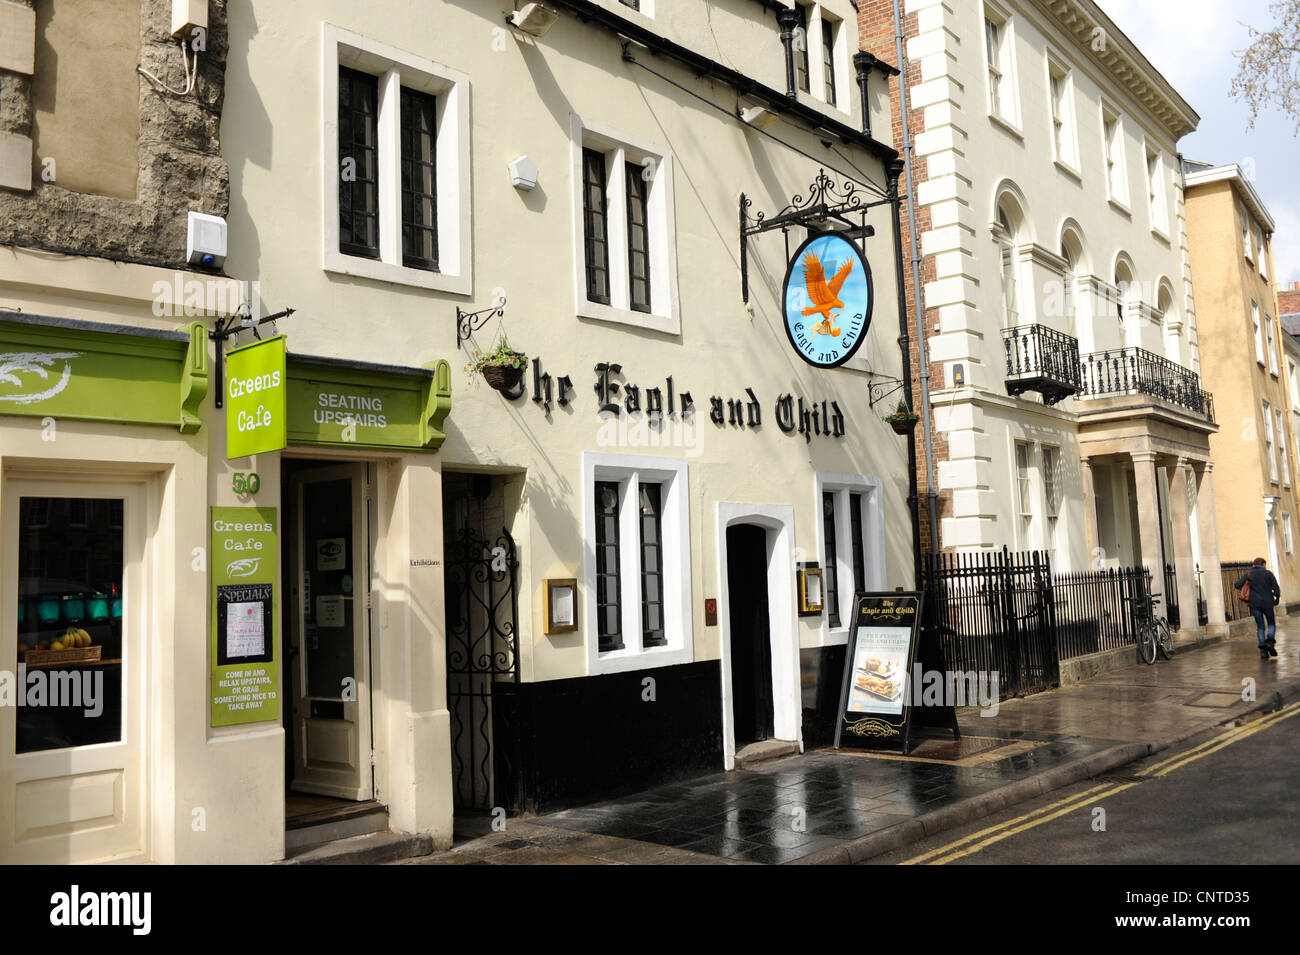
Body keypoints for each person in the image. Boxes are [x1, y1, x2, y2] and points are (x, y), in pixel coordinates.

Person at [1234, 557, 1281, 659]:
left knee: (1260, 626)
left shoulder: (1249, 574)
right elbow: (1276, 588)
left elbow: (1237, 585)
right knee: (1271, 623)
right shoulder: (1268, 574)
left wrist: (1248, 585)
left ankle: (1263, 651)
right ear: (1263, 564)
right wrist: (1277, 598)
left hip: (1254, 604)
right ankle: (1270, 642)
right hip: (1268, 603)